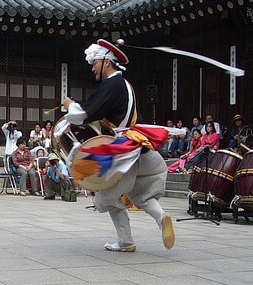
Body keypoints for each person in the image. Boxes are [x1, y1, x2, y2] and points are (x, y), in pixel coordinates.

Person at [62, 39, 174, 253]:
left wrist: (69, 106)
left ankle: (126, 241)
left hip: (124, 150)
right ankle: (161, 217)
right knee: (142, 195)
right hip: (141, 146)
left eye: (94, 62)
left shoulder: (111, 84)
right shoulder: (126, 85)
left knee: (106, 198)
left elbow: (83, 114)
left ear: (106, 62)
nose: (92, 68)